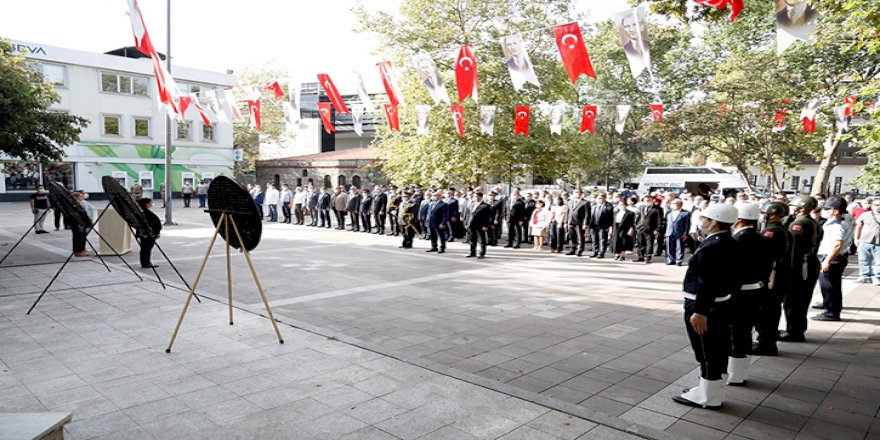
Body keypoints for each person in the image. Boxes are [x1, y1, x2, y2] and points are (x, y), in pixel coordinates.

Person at [672, 203, 739, 410]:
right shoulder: (730, 242)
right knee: (715, 348)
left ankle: (708, 395)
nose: (701, 223)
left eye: (704, 219)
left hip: (703, 305)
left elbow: (707, 282)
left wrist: (700, 311)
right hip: (720, 303)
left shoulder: (712, 246)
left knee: (705, 349)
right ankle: (710, 388)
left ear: (715, 222)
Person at [727, 202, 769, 386]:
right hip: (755, 290)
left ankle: (734, 374)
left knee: (736, 332)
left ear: (740, 219)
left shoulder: (738, 240)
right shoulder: (760, 238)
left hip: (739, 292)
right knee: (745, 331)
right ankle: (741, 372)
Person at [752, 201, 792, 356]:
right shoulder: (781, 230)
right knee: (771, 309)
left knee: (767, 311)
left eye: (765, 213)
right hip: (778, 276)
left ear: (773, 214)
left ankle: (766, 343)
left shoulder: (772, 231)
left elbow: (764, 254)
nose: (763, 216)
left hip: (773, 278)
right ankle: (767, 340)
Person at [781, 196, 821, 342]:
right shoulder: (813, 222)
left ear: (802, 208)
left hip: (800, 265)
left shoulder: (799, 224)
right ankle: (797, 329)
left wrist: (788, 270)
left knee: (793, 300)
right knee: (802, 299)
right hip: (809, 263)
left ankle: (794, 331)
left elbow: (793, 249)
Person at [812, 197, 849, 321]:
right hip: (831, 257)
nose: (824, 211)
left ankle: (831, 312)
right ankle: (829, 306)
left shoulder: (838, 225)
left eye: (828, 209)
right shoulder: (833, 222)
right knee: (830, 286)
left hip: (832, 258)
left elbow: (838, 244)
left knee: (830, 287)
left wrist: (827, 260)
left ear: (836, 211)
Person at [854, 198, 880, 285]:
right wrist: (856, 238)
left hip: (878, 243)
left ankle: (877, 277)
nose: (878, 207)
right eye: (876, 205)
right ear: (872, 206)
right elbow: (858, 227)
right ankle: (864, 276)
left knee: (879, 262)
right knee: (864, 260)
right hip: (865, 241)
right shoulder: (865, 215)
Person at [634, 195, 662, 263]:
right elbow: (638, 217)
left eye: (649, 200)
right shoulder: (641, 207)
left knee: (649, 243)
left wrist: (657, 229)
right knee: (640, 243)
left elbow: (659, 220)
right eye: (646, 200)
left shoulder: (657, 209)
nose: (647, 201)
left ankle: (648, 256)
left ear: (652, 200)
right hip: (640, 228)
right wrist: (637, 226)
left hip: (651, 228)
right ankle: (640, 256)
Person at [137, 197, 162, 268]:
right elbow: (155, 224)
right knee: (147, 248)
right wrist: (157, 232)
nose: (152, 204)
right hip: (149, 234)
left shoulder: (142, 213)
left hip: (144, 234)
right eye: (150, 203)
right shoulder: (147, 214)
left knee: (144, 248)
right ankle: (146, 263)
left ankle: (145, 262)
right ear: (146, 204)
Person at [665, 198, 690, 266]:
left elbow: (687, 224)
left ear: (680, 204)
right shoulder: (669, 213)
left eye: (675, 203)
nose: (673, 205)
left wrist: (685, 234)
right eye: (672, 203)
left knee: (680, 247)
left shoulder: (685, 213)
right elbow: (666, 223)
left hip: (680, 232)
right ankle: (671, 260)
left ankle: (679, 260)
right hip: (669, 232)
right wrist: (666, 232)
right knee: (669, 247)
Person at [612, 196, 638, 261]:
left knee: (623, 242)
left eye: (622, 205)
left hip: (625, 228)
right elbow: (613, 221)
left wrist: (631, 229)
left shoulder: (630, 213)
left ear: (626, 205)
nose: (621, 206)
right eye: (619, 205)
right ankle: (617, 254)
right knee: (616, 241)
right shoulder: (616, 212)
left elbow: (632, 223)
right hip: (616, 227)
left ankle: (622, 255)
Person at [589, 193, 614, 259]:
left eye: (600, 198)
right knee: (594, 239)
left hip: (603, 226)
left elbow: (611, 218)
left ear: (604, 198)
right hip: (594, 225)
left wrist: (609, 226)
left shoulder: (609, 206)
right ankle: (595, 252)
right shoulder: (594, 206)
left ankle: (601, 253)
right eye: (597, 198)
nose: (598, 200)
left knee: (602, 240)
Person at [467, 191, 491, 259]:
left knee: (481, 240)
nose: (475, 198)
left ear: (480, 197)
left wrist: (485, 225)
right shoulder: (472, 204)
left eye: (476, 196)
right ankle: (472, 252)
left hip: (480, 225)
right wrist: (467, 223)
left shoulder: (485, 206)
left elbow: (487, 217)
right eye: (474, 196)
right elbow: (468, 214)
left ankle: (482, 253)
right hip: (472, 224)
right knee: (472, 239)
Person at [71, 191, 91, 257]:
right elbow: (77, 215)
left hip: (80, 223)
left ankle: (77, 251)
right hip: (79, 223)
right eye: (80, 196)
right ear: (76, 197)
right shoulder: (75, 205)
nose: (82, 197)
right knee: (80, 237)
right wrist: (80, 223)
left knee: (78, 237)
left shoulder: (77, 204)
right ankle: (80, 251)